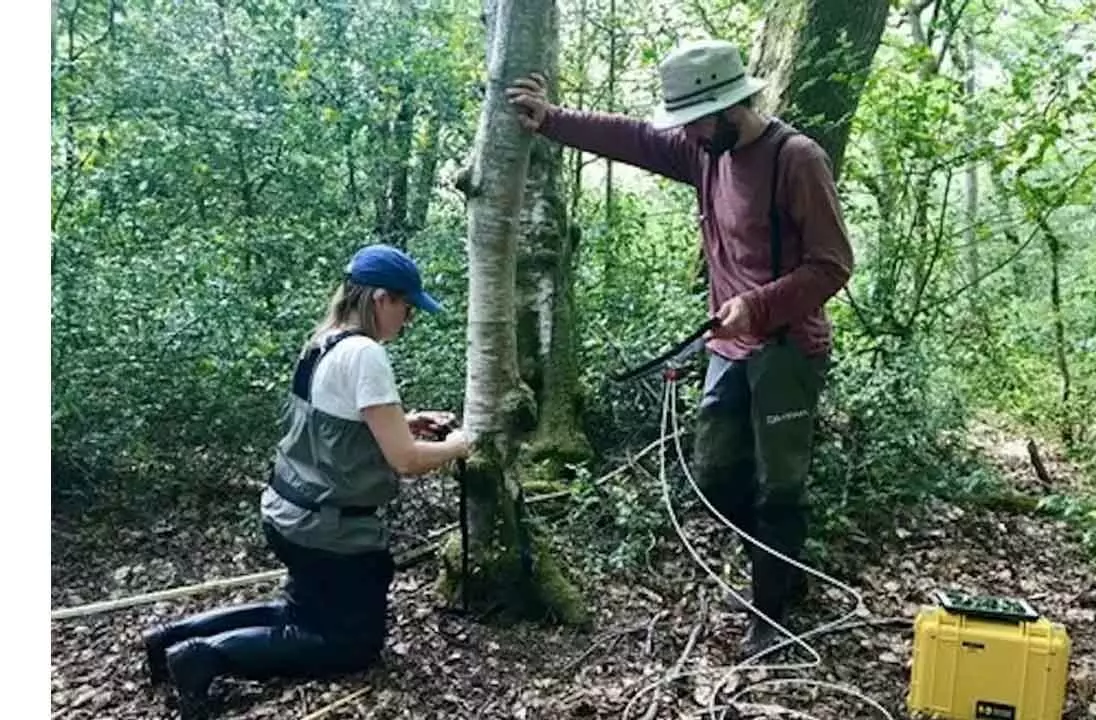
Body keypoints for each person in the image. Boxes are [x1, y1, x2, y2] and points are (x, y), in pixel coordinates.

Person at [506, 39, 854, 658]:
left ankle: (770, 614)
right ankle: (781, 570)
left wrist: (758, 305)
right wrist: (552, 120)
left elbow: (833, 265)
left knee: (779, 488)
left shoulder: (795, 159)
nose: (686, 133)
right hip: (730, 351)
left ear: (729, 108)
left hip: (787, 351)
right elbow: (634, 138)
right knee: (717, 477)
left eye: (695, 119)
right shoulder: (705, 152)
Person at [140, 244, 471, 720]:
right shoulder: (366, 354)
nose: (409, 318)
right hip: (327, 531)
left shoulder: (325, 341)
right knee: (351, 644)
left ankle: (168, 639)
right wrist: (461, 445)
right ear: (380, 298)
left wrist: (407, 418)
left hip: (288, 512)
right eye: (406, 305)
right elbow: (405, 460)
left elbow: (339, 427)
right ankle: (206, 658)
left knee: (303, 612)